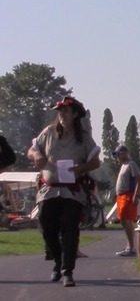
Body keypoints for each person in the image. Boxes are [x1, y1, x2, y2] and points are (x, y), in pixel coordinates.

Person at [27, 96, 101, 287]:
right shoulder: (49, 132)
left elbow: (95, 162)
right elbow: (31, 151)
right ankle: (58, 261)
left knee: (69, 228)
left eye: (66, 111)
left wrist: (80, 168)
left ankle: (67, 271)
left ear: (75, 114)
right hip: (49, 190)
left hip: (72, 191)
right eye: (60, 112)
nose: (62, 115)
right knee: (45, 224)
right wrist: (36, 155)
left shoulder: (84, 138)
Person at [113, 145, 140, 257]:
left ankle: (131, 247)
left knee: (127, 221)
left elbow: (139, 179)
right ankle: (129, 246)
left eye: (119, 154)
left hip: (128, 195)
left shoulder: (131, 164)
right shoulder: (123, 165)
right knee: (124, 221)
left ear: (125, 153)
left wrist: (136, 195)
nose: (117, 156)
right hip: (121, 196)